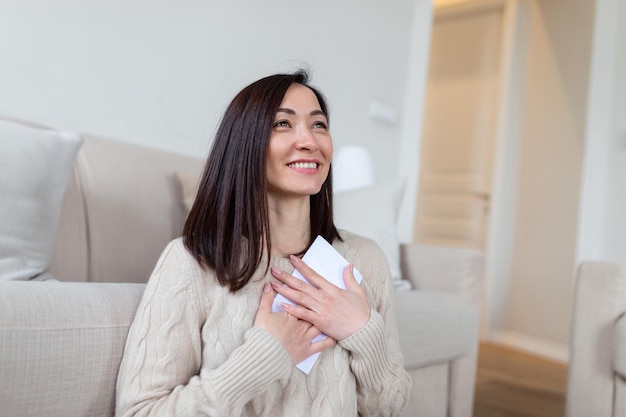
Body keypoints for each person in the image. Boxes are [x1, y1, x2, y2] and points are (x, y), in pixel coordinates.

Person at [116, 70, 411, 417]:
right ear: (244, 144)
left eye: (318, 125)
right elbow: (140, 411)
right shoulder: (192, 262)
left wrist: (362, 331)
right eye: (283, 124)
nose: (309, 141)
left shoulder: (365, 259)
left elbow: (390, 408)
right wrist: (264, 357)